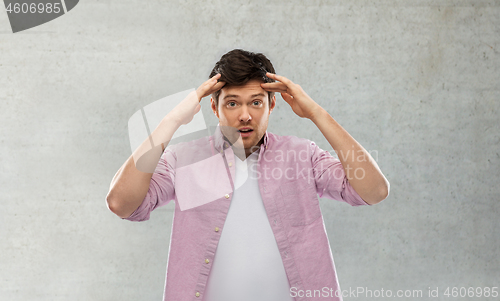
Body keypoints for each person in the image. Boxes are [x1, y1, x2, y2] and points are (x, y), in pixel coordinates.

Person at [106, 49, 390, 301]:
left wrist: (316, 113)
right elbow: (122, 203)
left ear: (272, 105)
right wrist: (171, 122)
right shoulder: (184, 159)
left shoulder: (302, 155)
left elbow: (374, 191)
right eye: (232, 103)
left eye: (256, 102)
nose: (245, 115)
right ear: (214, 107)